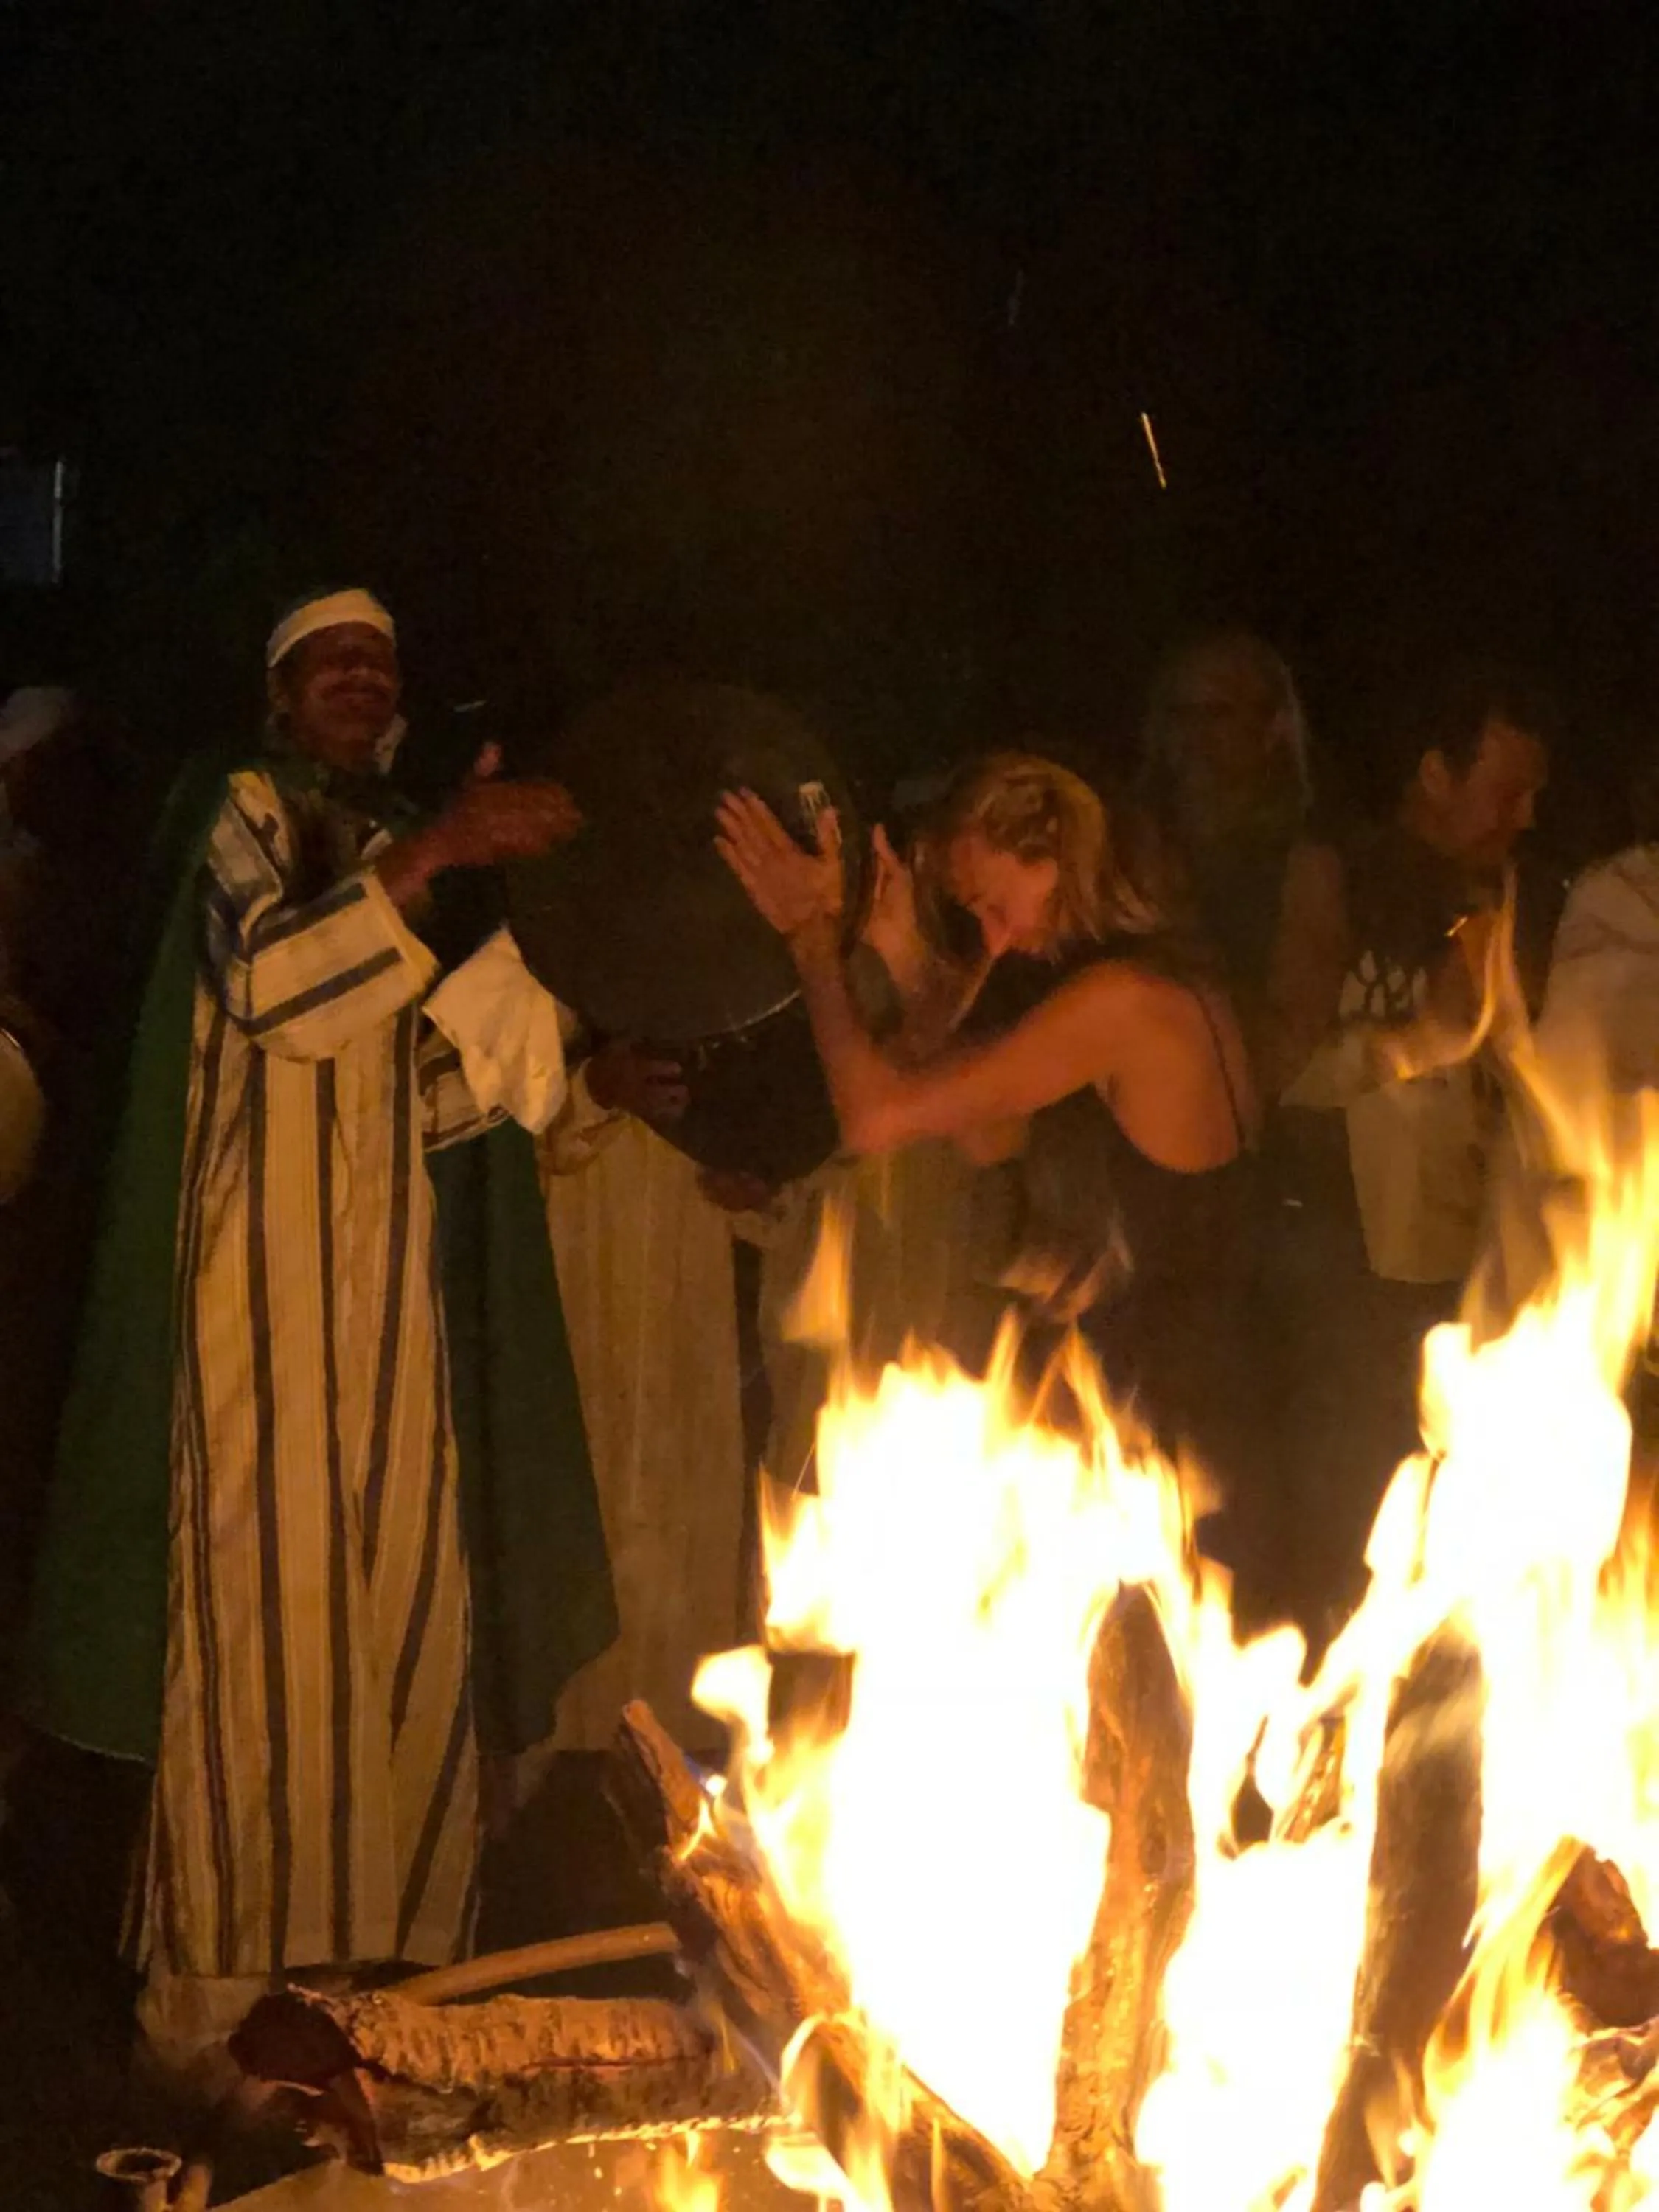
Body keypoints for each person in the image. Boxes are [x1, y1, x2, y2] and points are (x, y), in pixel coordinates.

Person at [16, 589, 614, 2081]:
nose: (359, 676)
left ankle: (383, 1969)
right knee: (257, 1626)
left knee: (404, 1602)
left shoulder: (400, 829)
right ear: (278, 695)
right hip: (256, 1290)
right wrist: (439, 859)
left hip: (385, 1285)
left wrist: (538, 1012)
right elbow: (279, 990)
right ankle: (218, 2000)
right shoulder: (240, 808)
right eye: (325, 660)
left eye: (380, 659)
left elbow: (410, 1089)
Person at [715, 753, 1262, 1535]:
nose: (999, 938)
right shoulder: (1142, 983)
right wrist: (909, 967)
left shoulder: (1128, 1004)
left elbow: (873, 1118)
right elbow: (968, 1127)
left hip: (1157, 1433)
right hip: (1131, 1407)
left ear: (1050, 846)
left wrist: (810, 940)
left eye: (994, 901)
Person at [1267, 664, 1549, 1635]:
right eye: (1504, 788)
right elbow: (1274, 1076)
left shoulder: (1489, 894)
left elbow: (1518, 1072)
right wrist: (1413, 1046)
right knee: (1341, 1535)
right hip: (1330, 1271)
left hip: (1450, 1271)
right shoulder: (1327, 872)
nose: (1522, 814)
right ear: (1434, 771)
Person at [1138, 628, 1332, 1082]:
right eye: (1180, 714)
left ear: (1272, 729)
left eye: (1217, 713)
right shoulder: (1126, 841)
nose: (1194, 735)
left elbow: (1294, 1053)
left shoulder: (1304, 867)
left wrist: (1178, 935)